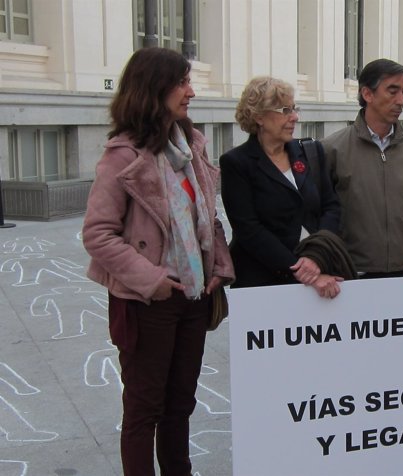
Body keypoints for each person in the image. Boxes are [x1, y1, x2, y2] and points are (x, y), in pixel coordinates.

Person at [82, 47, 235, 475]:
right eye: (182, 82)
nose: (191, 91)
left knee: (181, 403)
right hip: (147, 300)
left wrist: (218, 266)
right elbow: (97, 234)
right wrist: (153, 279)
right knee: (143, 409)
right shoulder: (123, 155)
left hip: (194, 295)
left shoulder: (190, 145)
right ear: (155, 88)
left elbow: (208, 214)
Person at [220, 76, 349, 298]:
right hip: (264, 283)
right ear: (259, 116)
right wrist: (300, 270)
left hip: (320, 273)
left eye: (294, 109)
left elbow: (331, 206)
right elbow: (249, 229)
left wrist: (316, 257)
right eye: (285, 110)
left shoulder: (310, 152)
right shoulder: (237, 163)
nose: (294, 117)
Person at [321, 58, 403, 278]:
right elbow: (320, 216)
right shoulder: (332, 149)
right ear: (368, 94)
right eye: (392, 91)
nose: (401, 100)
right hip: (353, 273)